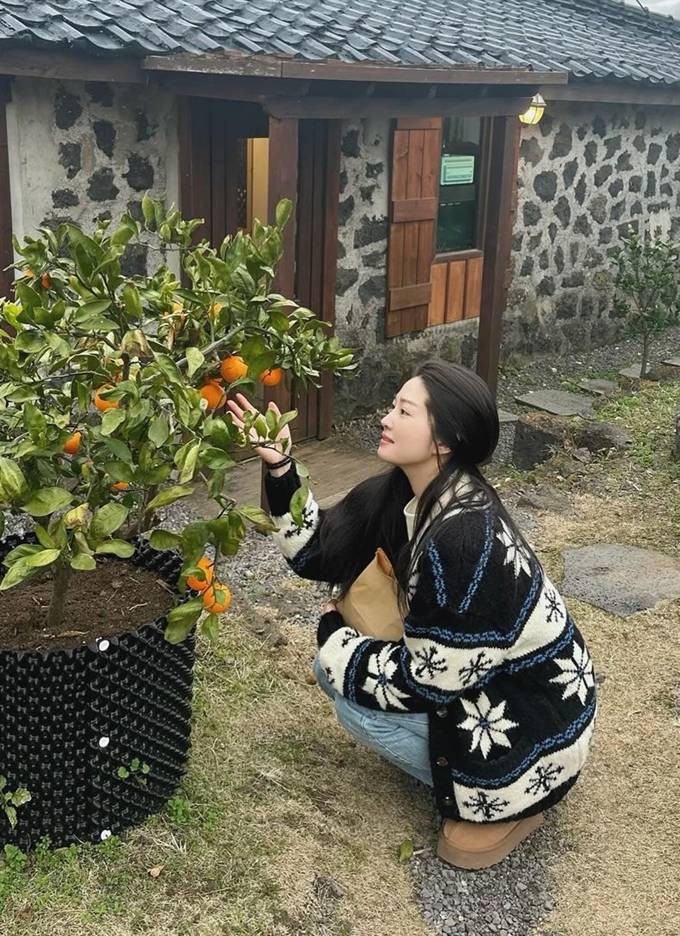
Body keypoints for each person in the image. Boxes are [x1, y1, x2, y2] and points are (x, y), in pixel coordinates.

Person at [225, 360, 597, 870]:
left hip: (535, 724)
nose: (386, 418)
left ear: (446, 438)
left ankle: (508, 800)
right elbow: (316, 552)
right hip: (504, 690)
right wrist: (280, 468)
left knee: (353, 702)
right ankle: (479, 781)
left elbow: (431, 683)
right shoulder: (407, 494)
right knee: (340, 674)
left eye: (404, 411)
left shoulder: (464, 538)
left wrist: (336, 639)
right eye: (392, 407)